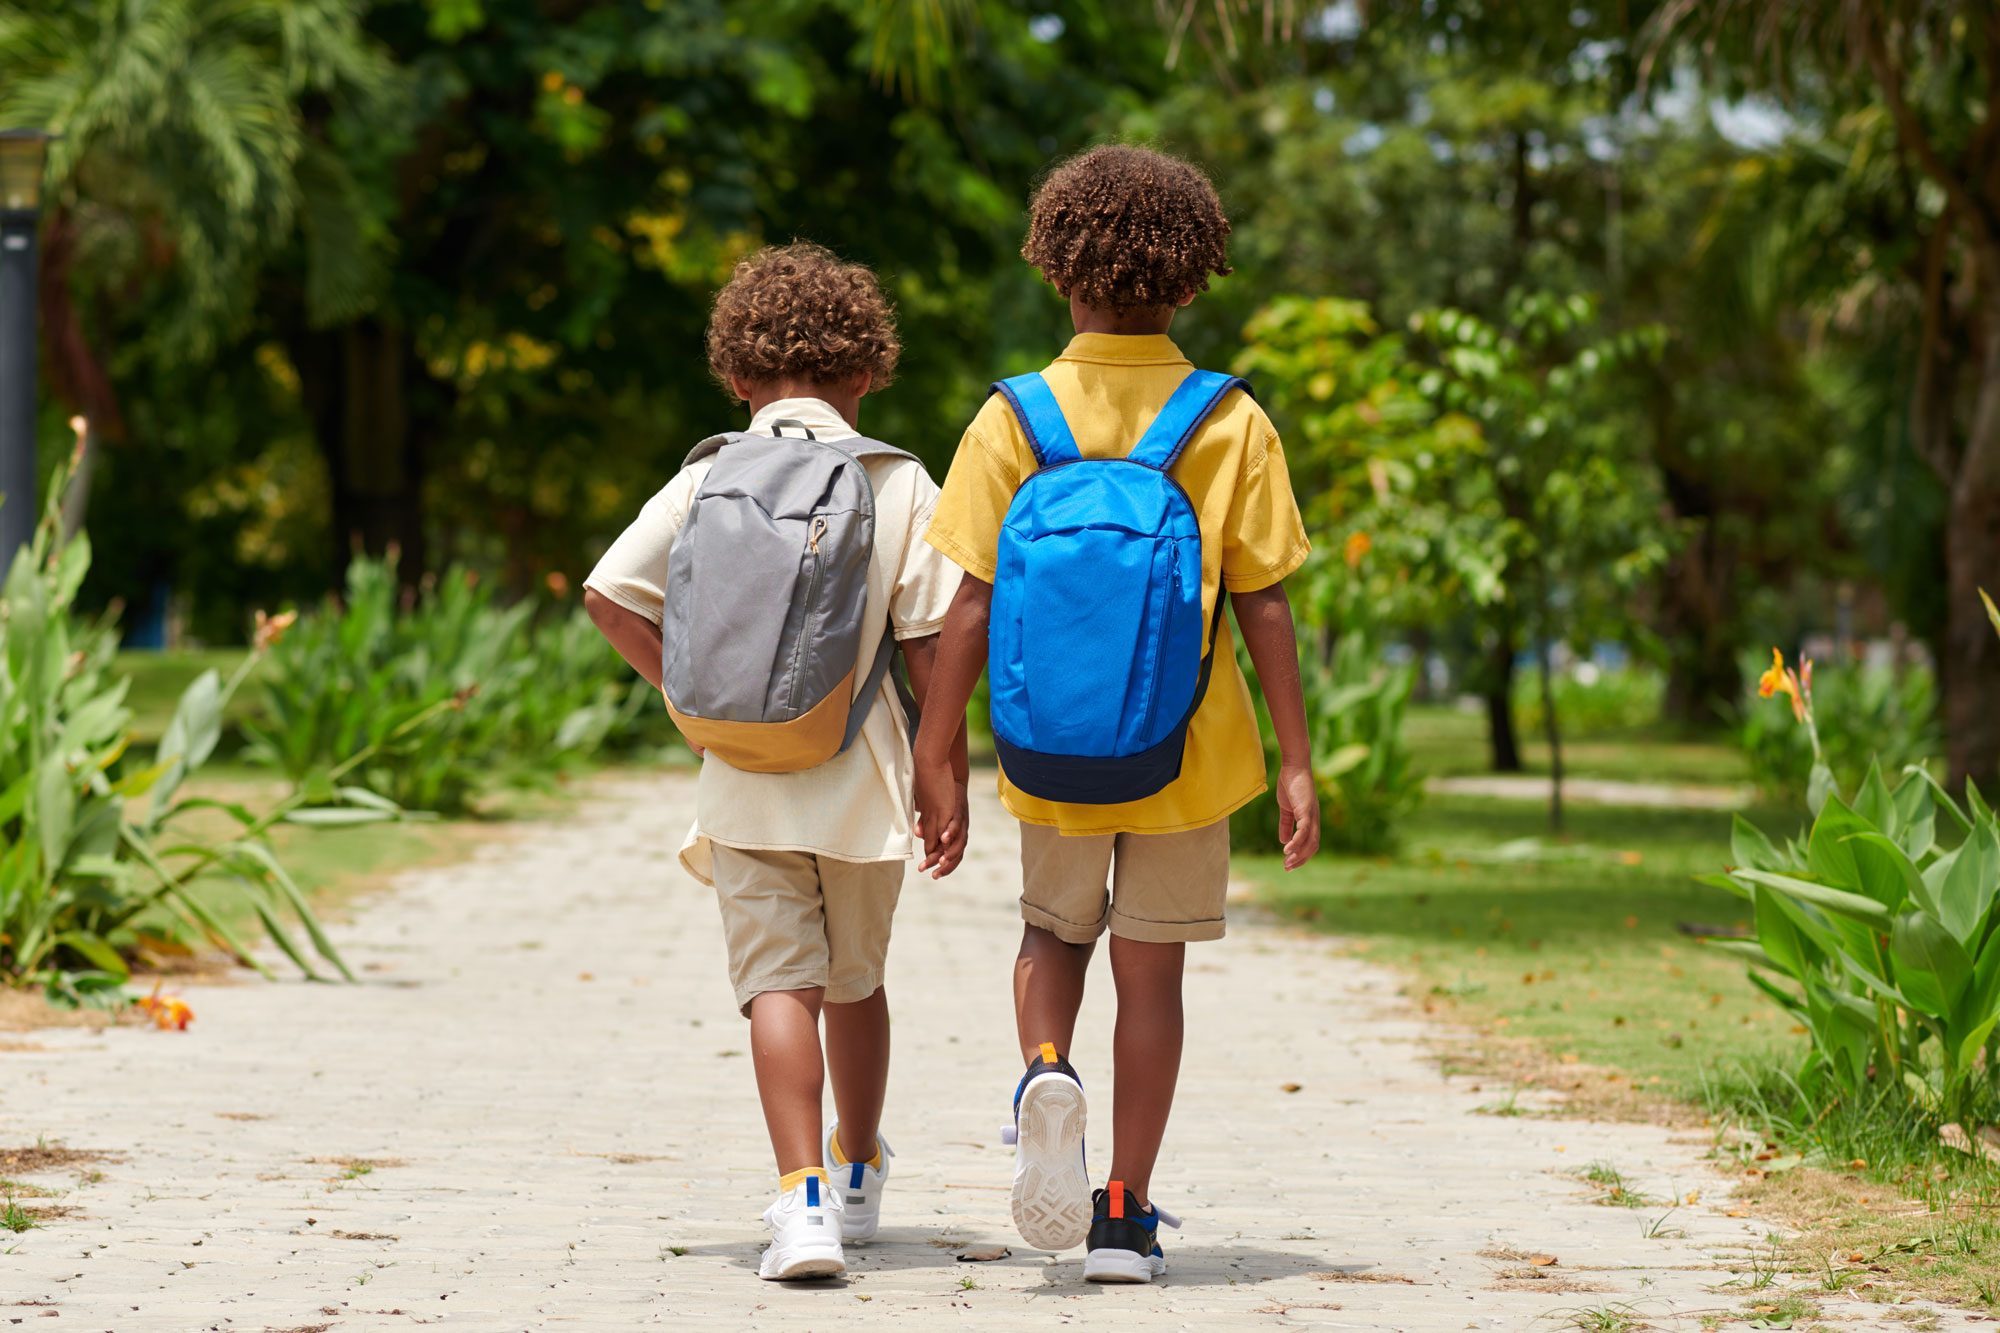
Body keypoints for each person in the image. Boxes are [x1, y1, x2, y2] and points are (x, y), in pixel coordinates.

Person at [911, 144, 1321, 1284]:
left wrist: (934, 749)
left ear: (1055, 266)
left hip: (1053, 748)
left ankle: (1047, 1065)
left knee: (1052, 934)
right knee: (1152, 975)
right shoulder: (1229, 419)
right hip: (1187, 759)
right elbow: (1265, 603)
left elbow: (971, 604)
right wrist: (1293, 761)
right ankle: (1124, 1217)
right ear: (1191, 279)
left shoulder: (1012, 416)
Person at [584, 242, 967, 1280]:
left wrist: (688, 695)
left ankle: (797, 1203)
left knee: (775, 989)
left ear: (737, 375)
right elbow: (929, 644)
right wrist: (948, 773)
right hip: (866, 785)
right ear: (866, 370)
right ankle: (855, 1173)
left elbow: (607, 592)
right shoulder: (895, 479)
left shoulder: (707, 471)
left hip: (740, 782)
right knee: (855, 984)